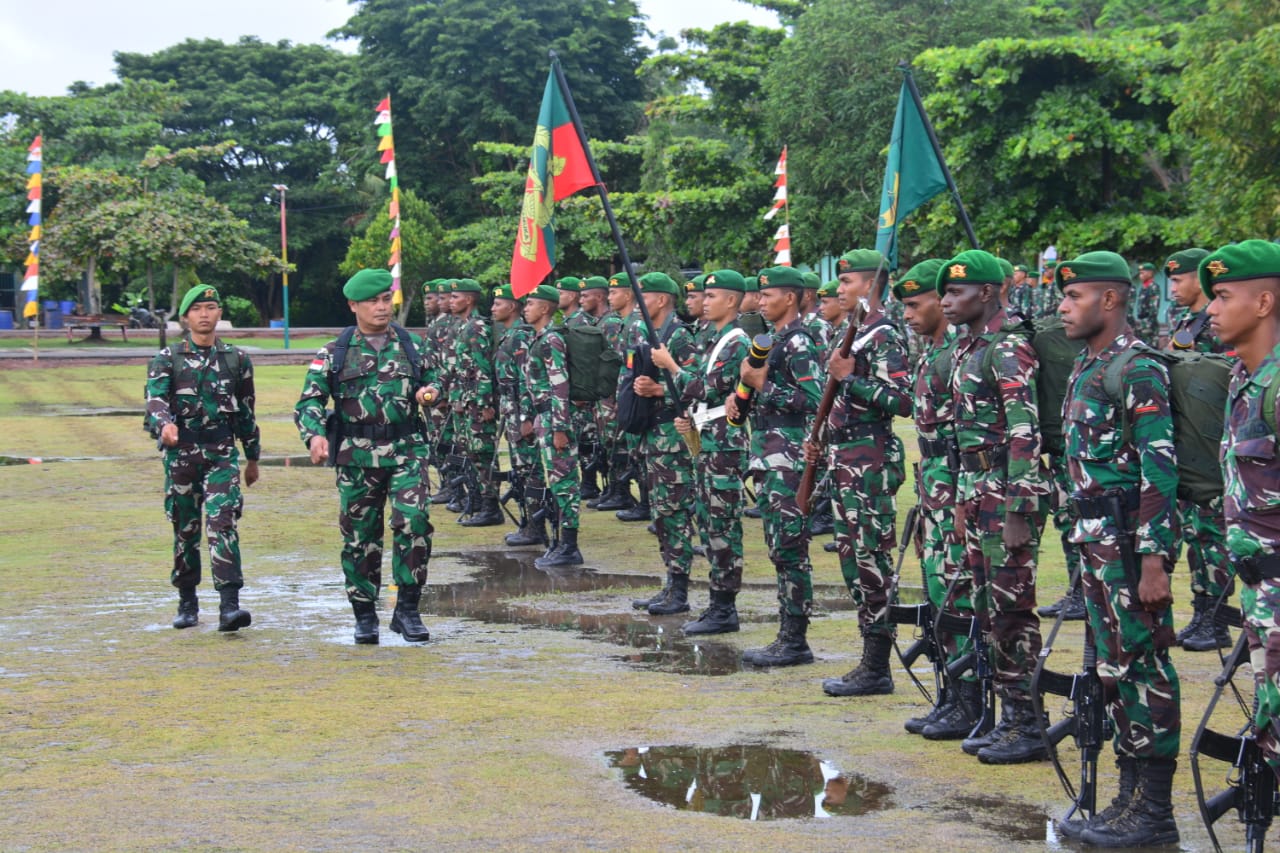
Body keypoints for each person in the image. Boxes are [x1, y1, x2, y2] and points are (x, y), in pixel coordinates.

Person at [1056, 250, 1181, 847]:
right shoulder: (1089, 365)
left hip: (1131, 548)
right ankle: (1128, 802)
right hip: (1096, 546)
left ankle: (1155, 814)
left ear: (1110, 300)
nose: (1063, 306)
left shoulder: (1137, 370)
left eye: (1074, 296)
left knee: (1144, 670)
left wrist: (1154, 560)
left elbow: (1161, 470)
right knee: (1114, 673)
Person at [937, 249, 1050, 764]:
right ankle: (1007, 716)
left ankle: (1028, 723)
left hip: (1006, 492)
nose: (945, 301)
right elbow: (965, 434)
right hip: (978, 488)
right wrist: (962, 499)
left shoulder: (1007, 347)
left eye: (955, 292)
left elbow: (1025, 430)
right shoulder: (969, 347)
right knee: (987, 608)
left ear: (986, 293)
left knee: (1012, 610)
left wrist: (1018, 511)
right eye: (943, 292)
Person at [294, 269, 433, 644]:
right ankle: (365, 614)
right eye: (373, 301)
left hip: (407, 451)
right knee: (360, 537)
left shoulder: (410, 345)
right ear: (354, 305)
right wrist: (315, 436)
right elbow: (308, 402)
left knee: (414, 523)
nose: (381, 307)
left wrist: (430, 392)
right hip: (356, 457)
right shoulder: (335, 352)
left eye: (386, 299)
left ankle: (407, 610)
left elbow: (433, 381)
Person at [810, 249, 911, 698]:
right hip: (844, 458)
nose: (840, 289)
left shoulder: (884, 335)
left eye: (848, 282)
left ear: (870, 285)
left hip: (869, 462)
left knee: (871, 560)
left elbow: (904, 400)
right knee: (853, 562)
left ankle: (877, 665)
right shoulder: (855, 331)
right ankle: (870, 658)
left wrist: (851, 379)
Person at [1206, 239, 1280, 801]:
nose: (1210, 307)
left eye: (1223, 295)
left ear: (1263, 303)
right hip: (1261, 596)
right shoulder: (1242, 380)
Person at [896, 259, 981, 739]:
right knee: (938, 591)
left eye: (916, 304)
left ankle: (968, 699)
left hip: (956, 488)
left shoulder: (959, 352)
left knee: (957, 592)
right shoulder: (932, 352)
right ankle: (951, 693)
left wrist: (961, 499)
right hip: (935, 485)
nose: (909, 314)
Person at [145, 284, 259, 631]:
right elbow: (155, 401)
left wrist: (252, 457)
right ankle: (187, 600)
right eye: (197, 309)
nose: (205, 314)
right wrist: (164, 425)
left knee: (222, 523)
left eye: (211, 307)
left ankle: (229, 605)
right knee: (185, 529)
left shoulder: (236, 359)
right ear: (186, 317)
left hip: (222, 453)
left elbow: (246, 412)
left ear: (219, 314)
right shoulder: (168, 358)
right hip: (182, 456)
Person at [731, 266, 823, 666]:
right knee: (777, 546)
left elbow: (815, 399)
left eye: (769, 296)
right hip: (769, 452)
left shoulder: (800, 341)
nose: (761, 301)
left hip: (789, 455)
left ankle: (796, 639)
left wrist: (762, 383)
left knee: (789, 547)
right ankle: (787, 634)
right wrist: (744, 398)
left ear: (791, 298)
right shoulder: (773, 339)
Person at [651, 269, 752, 632]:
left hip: (725, 442)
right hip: (708, 437)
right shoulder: (714, 338)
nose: (704, 302)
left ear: (732, 301)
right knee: (709, 521)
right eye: (703, 296)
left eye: (712, 297)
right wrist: (692, 420)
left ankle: (725, 608)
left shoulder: (736, 341)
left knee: (722, 524)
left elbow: (703, 385)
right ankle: (716, 604)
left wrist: (670, 366)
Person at [1163, 247, 1235, 652]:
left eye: (1178, 279)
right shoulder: (1188, 321)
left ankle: (1218, 620)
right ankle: (1202, 612)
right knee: (1197, 534)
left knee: (1212, 535)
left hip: (1212, 442)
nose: (1173, 287)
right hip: (1188, 440)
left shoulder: (1217, 322)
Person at [630, 272, 699, 614]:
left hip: (673, 435)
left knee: (674, 511)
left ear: (660, 300)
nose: (638, 300)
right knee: (660, 513)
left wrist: (658, 390)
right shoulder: (645, 333)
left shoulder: (680, 338)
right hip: (652, 435)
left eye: (644, 294)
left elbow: (698, 388)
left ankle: (680, 589)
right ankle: (670, 582)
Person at [521, 284, 585, 569]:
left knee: (565, 483)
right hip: (546, 417)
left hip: (557, 419)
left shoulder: (551, 340)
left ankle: (570, 547)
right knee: (556, 482)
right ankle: (560, 542)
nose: (526, 308)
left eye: (530, 303)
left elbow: (560, 385)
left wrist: (560, 427)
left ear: (545, 308)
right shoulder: (540, 338)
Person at [443, 278, 503, 527]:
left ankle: (491, 506)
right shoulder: (462, 325)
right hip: (465, 402)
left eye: (455, 297)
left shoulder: (476, 327)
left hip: (478, 404)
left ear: (468, 299)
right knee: (469, 451)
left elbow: (482, 369)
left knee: (483, 453)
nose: (450, 301)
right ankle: (477, 499)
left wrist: (485, 403)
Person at [1131, 262, 1161, 345]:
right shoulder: (1143, 287)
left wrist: (1148, 324)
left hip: (1149, 324)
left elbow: (1154, 309)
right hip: (1142, 323)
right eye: (1140, 273)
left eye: (1142, 273)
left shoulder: (1153, 287)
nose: (1140, 275)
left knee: (1150, 348)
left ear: (1150, 273)